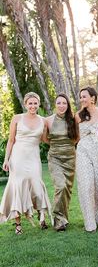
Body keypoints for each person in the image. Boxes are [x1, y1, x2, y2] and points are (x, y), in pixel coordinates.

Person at [0, 92, 51, 235]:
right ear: (25, 104)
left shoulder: (43, 121)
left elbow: (46, 140)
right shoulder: (17, 118)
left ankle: (42, 218)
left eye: (35, 103)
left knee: (36, 184)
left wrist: (62, 142)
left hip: (34, 157)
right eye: (30, 103)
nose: (33, 106)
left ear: (38, 104)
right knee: (18, 186)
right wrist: (6, 159)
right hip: (18, 157)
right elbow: (11, 140)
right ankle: (18, 224)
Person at [75, 87, 98, 232]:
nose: (82, 99)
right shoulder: (78, 115)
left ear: (93, 98)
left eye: (84, 96)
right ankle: (90, 223)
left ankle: (96, 217)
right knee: (86, 185)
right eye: (81, 97)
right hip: (83, 152)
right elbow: (76, 136)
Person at [44, 93, 78, 231]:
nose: (62, 106)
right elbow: (45, 138)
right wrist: (57, 146)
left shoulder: (73, 119)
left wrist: (67, 147)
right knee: (61, 186)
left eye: (64, 103)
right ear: (55, 104)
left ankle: (64, 218)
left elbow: (77, 138)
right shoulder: (48, 120)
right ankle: (58, 219)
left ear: (68, 105)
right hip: (55, 158)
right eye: (59, 103)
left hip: (70, 157)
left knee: (67, 190)